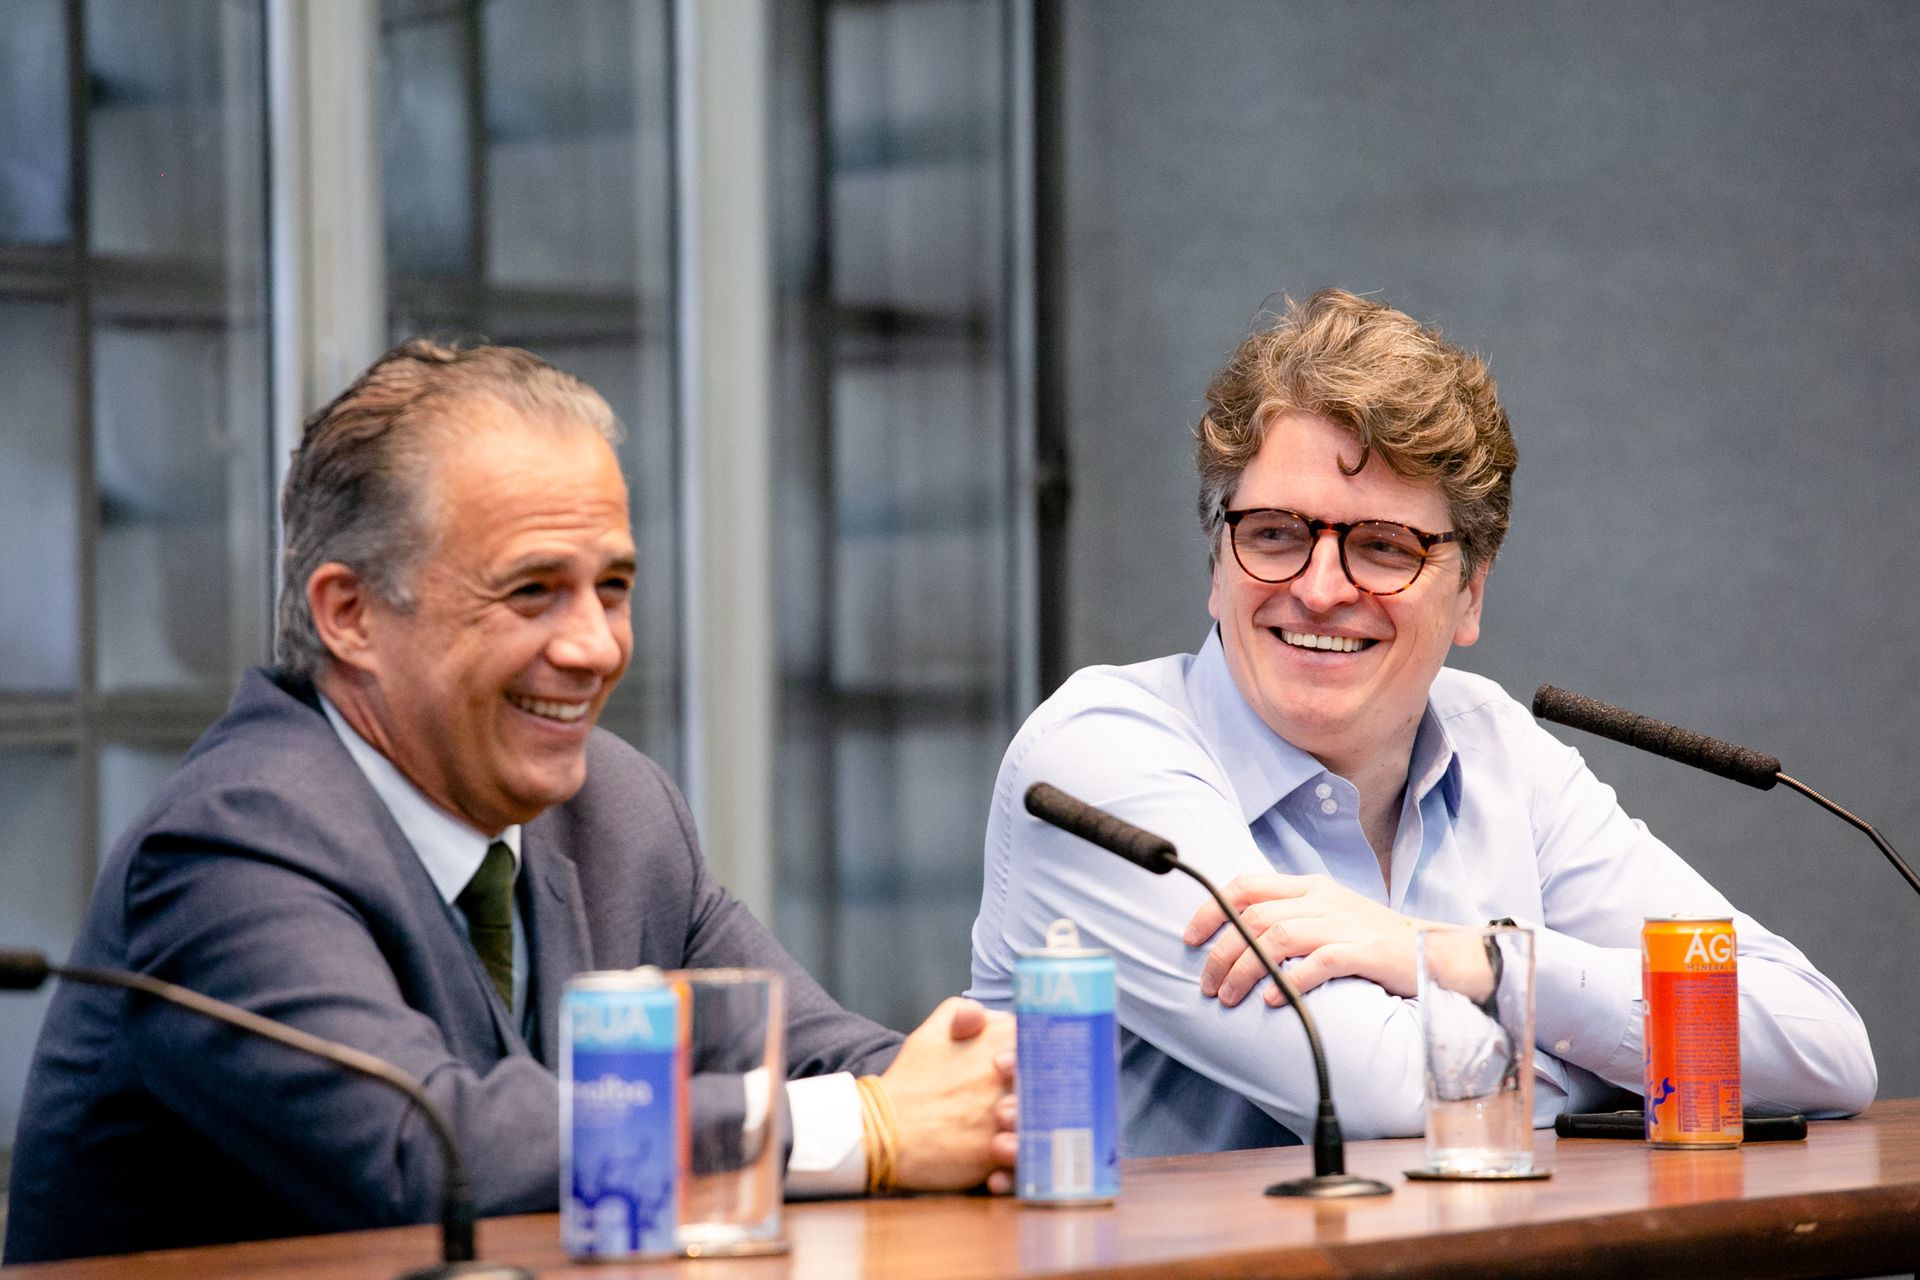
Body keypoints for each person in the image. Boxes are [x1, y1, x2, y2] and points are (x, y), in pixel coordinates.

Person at [6, 342, 1015, 1264]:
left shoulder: (615, 806)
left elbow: (822, 1050)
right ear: (350, 613)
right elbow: (433, 1152)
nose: (594, 646)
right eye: (533, 591)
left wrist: (973, 1092)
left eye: (612, 587)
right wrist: (870, 1126)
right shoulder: (229, 846)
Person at [968, 289, 1875, 1156]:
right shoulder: (1098, 761)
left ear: (1470, 595)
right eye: (1275, 533)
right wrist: (1643, 1061)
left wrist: (1472, 962)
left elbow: (1824, 1047)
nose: (1320, 590)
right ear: (1217, 562)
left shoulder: (1495, 746)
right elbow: (1374, 1093)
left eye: (1384, 547)